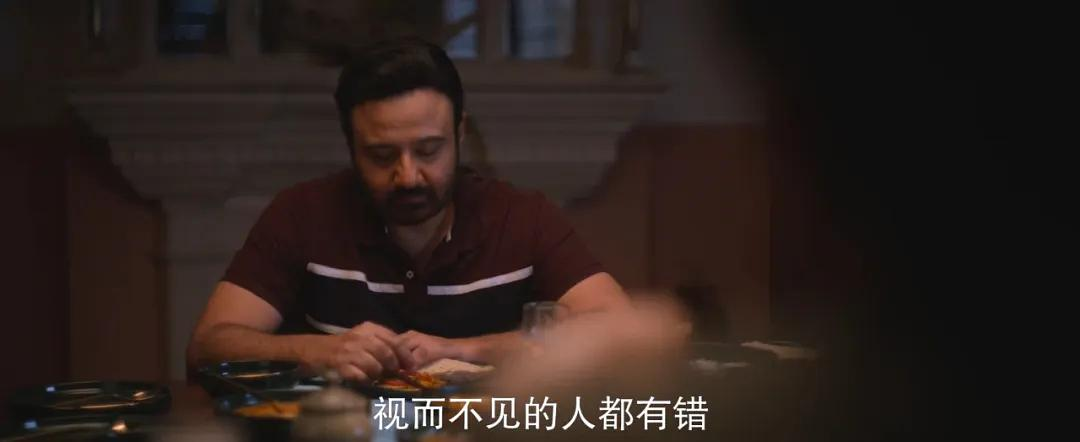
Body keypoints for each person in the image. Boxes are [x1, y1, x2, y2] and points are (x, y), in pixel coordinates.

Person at [185, 39, 629, 382]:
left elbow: (619, 329)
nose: (408, 176)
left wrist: (460, 349)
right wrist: (314, 352)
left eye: (429, 150)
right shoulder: (301, 214)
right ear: (351, 146)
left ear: (459, 133)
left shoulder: (521, 218)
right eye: (382, 156)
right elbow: (209, 344)